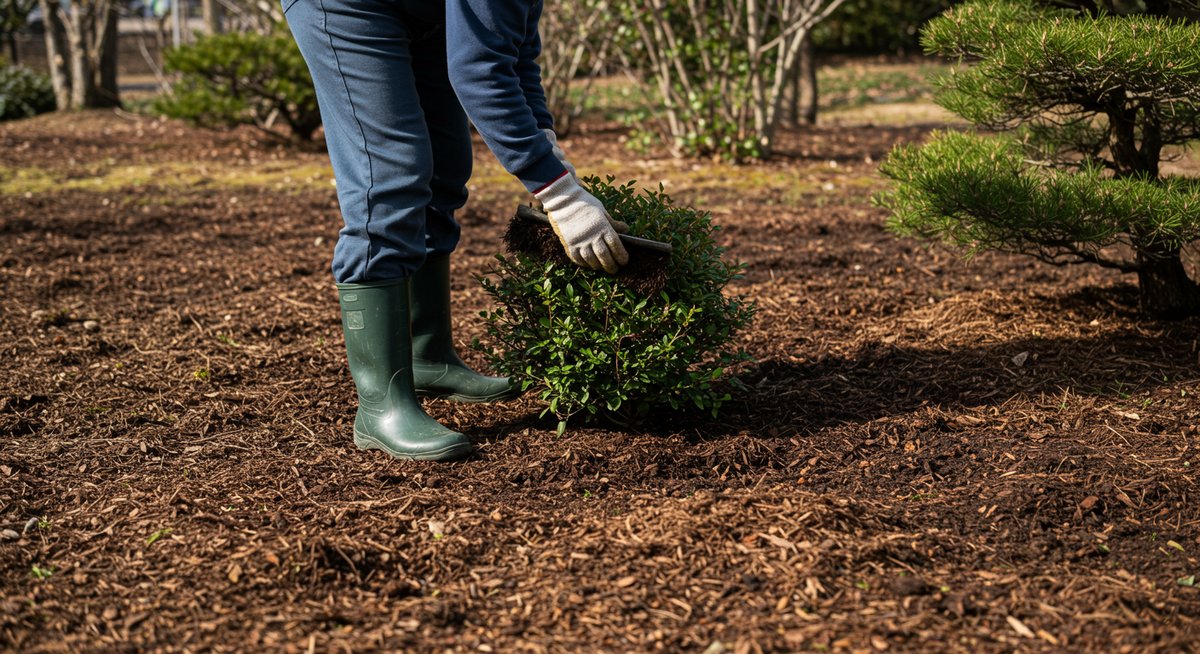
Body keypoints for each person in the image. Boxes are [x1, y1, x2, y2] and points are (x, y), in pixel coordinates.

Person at [283, 0, 628, 461]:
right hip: (347, 7)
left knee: (445, 165)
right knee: (390, 177)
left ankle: (429, 357)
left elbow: (514, 54)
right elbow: (480, 71)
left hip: (424, 15)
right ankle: (380, 408)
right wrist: (560, 195)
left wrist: (549, 151)